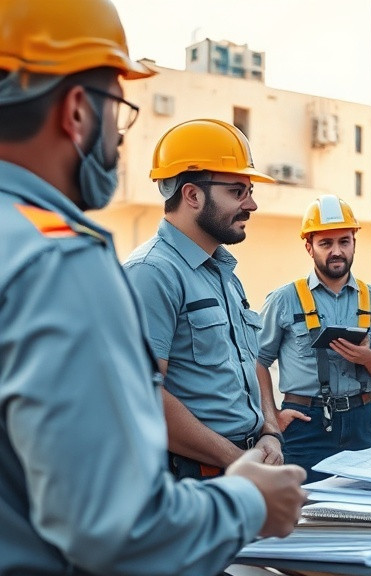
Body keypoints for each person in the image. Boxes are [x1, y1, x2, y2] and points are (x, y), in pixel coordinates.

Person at [0, 1, 305, 574]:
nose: (117, 139)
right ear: (76, 110)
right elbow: (115, 526)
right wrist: (248, 496)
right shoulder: (61, 261)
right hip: (195, 488)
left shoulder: (220, 271)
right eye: (117, 109)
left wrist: (264, 431)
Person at [123, 118, 286, 480]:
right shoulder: (151, 273)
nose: (252, 204)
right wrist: (237, 461)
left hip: (240, 467)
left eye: (249, 191)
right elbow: (141, 394)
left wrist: (269, 432)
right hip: (193, 477)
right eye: (238, 191)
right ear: (193, 195)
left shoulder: (224, 274)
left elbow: (250, 364)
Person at [257, 195, 371, 482]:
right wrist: (271, 416)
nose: (336, 251)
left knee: (363, 506)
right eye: (326, 243)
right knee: (305, 506)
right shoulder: (284, 299)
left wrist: (367, 358)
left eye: (344, 241)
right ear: (309, 247)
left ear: (354, 243)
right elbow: (257, 361)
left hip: (363, 423)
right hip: (304, 424)